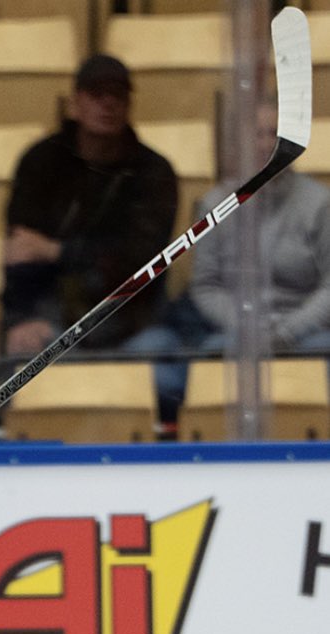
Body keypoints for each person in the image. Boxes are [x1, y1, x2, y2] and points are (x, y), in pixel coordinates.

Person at [152, 98, 330, 425]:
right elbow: (205, 287)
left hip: (307, 334)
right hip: (236, 332)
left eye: (275, 134)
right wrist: (248, 327)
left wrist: (288, 331)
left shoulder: (320, 204)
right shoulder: (215, 204)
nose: (265, 143)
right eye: (257, 134)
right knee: (205, 361)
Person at [1, 53, 178, 356]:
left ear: (129, 104)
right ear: (75, 102)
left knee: (167, 369)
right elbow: (22, 252)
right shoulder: (41, 162)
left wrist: (57, 251)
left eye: (118, 95)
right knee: (26, 351)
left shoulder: (154, 171)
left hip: (132, 322)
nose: (108, 103)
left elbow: (140, 261)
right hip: (53, 316)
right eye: (97, 94)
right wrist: (22, 320)